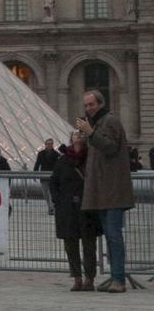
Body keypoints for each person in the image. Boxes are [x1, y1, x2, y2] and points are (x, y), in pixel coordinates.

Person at [75, 89, 135, 293]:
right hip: (102, 190)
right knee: (110, 236)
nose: (88, 108)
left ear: (101, 104)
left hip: (113, 190)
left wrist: (91, 133)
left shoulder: (110, 121)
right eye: (86, 105)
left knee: (114, 235)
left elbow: (110, 147)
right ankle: (114, 276)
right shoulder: (98, 124)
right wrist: (81, 140)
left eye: (91, 104)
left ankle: (119, 278)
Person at [49, 132, 101, 292]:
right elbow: (53, 182)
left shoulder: (92, 158)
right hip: (68, 208)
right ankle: (77, 278)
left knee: (89, 245)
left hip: (87, 207)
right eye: (75, 135)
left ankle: (89, 279)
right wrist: (59, 202)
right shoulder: (63, 160)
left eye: (81, 135)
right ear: (71, 139)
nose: (78, 137)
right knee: (70, 245)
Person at [34, 138, 60, 215]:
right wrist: (35, 174)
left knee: (51, 193)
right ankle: (50, 207)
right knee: (45, 194)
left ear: (53, 145)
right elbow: (37, 163)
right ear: (45, 145)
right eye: (48, 144)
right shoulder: (41, 153)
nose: (49, 145)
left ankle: (52, 208)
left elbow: (58, 166)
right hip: (43, 176)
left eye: (51, 144)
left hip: (52, 177)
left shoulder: (56, 154)